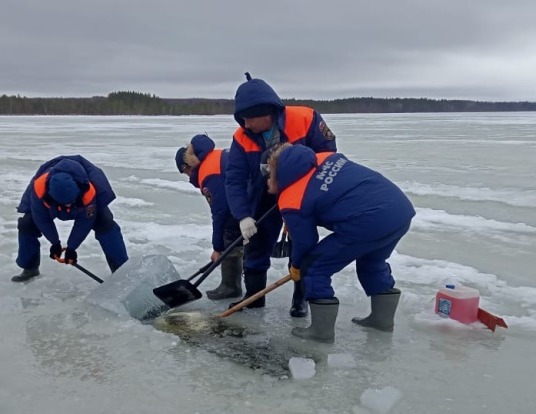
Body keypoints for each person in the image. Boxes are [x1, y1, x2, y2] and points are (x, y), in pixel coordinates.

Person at [267, 143, 415, 342]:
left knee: (314, 266)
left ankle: (321, 333)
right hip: (400, 212)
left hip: (368, 221)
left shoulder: (293, 198)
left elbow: (305, 242)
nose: (267, 180)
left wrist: (296, 266)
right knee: (372, 261)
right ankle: (382, 321)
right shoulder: (324, 158)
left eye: (269, 174)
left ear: (279, 172)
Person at [225, 73, 338, 317]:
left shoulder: (306, 119)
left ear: (266, 113)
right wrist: (243, 216)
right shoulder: (241, 138)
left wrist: (302, 186)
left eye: (248, 119)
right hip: (264, 194)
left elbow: (328, 156)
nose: (245, 125)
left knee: (302, 244)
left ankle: (301, 298)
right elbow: (234, 179)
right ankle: (254, 299)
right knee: (256, 246)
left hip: (302, 193)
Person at [22, 155, 128, 273]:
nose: (67, 206)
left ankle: (121, 270)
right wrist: (55, 243)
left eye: (70, 202)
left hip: (83, 203)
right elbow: (42, 218)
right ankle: (29, 267)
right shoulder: (39, 188)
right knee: (26, 224)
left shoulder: (88, 190)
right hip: (51, 203)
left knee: (106, 223)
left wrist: (72, 248)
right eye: (64, 203)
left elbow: (84, 222)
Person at [175, 134, 242, 299]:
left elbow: (220, 211)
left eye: (185, 173)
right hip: (251, 199)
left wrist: (217, 248)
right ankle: (235, 282)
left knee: (229, 234)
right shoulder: (215, 157)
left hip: (247, 203)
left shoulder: (209, 172)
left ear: (187, 167)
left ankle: (230, 287)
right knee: (239, 238)